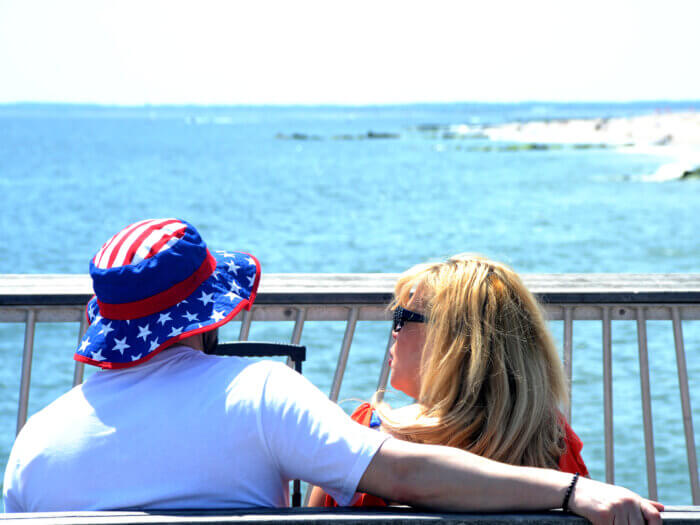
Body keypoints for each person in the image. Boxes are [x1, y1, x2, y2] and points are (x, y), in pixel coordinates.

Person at [3, 220, 662, 524]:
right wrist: (572, 493)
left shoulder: (33, 442)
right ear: (208, 316)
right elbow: (400, 470)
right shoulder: (261, 394)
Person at [310, 254, 589, 508]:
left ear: (450, 341)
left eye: (402, 318)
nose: (394, 332)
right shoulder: (553, 447)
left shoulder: (364, 439)